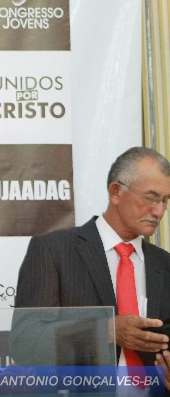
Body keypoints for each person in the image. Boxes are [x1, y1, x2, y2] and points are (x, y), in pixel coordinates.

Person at [11, 147, 170, 373]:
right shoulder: (54, 250)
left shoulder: (164, 264)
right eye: (151, 198)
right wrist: (105, 331)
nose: (159, 211)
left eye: (165, 200)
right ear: (116, 192)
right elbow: (25, 343)